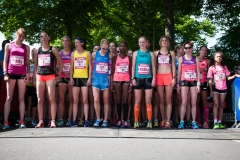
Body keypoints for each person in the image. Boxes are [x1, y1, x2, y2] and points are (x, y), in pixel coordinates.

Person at [34, 31, 63, 128]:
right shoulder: (37, 50)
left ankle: (53, 120)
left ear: (48, 38)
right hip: (39, 76)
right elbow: (35, 65)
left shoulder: (53, 49)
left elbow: (60, 63)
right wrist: (34, 78)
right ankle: (40, 121)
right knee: (40, 100)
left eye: (45, 36)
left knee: (51, 99)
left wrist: (58, 75)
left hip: (50, 76)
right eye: (41, 36)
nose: (43, 38)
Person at [3, 28, 30, 129]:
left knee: (21, 98)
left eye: (23, 37)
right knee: (9, 97)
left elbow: (27, 62)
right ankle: (6, 121)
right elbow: (5, 60)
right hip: (11, 73)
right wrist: (5, 73)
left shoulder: (26, 47)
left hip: (22, 74)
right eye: (20, 36)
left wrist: (28, 74)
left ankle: (22, 121)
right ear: (16, 35)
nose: (21, 38)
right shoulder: (9, 45)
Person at [207, 51, 237, 129]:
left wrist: (235, 75)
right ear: (214, 58)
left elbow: (228, 78)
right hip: (215, 87)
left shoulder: (224, 67)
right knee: (216, 103)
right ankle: (215, 122)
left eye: (220, 57)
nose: (219, 58)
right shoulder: (212, 68)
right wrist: (210, 91)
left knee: (221, 104)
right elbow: (210, 80)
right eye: (217, 56)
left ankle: (220, 122)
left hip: (223, 88)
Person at [132, 36, 156, 129]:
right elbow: (133, 66)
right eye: (140, 42)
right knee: (137, 100)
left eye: (143, 42)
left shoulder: (151, 54)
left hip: (148, 78)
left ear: (146, 43)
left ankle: (149, 121)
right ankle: (136, 121)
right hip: (138, 78)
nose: (142, 44)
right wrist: (133, 78)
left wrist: (154, 78)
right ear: (138, 43)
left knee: (148, 100)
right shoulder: (135, 53)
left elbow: (153, 67)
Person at [177, 40, 201, 129]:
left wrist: (198, 84)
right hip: (184, 81)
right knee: (184, 102)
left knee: (194, 102)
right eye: (186, 48)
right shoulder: (181, 59)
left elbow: (198, 72)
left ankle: (193, 122)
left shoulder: (196, 58)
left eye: (189, 48)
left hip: (194, 81)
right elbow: (179, 72)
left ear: (192, 48)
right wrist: (178, 84)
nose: (187, 49)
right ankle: (182, 121)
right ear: (184, 49)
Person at [69, 37, 92, 127]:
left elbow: (90, 66)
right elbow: (71, 67)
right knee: (75, 100)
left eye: (77, 42)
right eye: (75, 43)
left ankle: (86, 120)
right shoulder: (73, 54)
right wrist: (71, 78)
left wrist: (89, 78)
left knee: (85, 100)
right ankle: (74, 120)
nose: (76, 44)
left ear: (82, 43)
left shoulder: (87, 53)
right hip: (76, 78)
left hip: (85, 78)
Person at [155, 36, 176, 129]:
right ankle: (163, 119)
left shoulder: (171, 53)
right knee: (161, 99)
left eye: (166, 40)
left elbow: (173, 66)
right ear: (160, 42)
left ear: (168, 43)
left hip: (168, 76)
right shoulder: (156, 53)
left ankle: (168, 121)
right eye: (162, 40)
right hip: (159, 76)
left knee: (168, 99)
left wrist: (174, 78)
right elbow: (154, 66)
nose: (164, 42)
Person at [92, 39, 112, 127]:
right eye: (103, 48)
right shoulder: (94, 54)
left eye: (107, 49)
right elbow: (90, 66)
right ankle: (98, 119)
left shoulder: (110, 55)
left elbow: (112, 68)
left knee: (106, 101)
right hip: (96, 79)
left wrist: (110, 77)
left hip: (105, 80)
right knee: (96, 99)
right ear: (100, 46)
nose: (105, 50)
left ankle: (105, 120)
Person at [111, 40, 132, 128]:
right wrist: (111, 83)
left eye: (124, 46)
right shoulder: (115, 58)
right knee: (118, 101)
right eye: (121, 46)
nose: (122, 48)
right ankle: (119, 120)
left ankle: (126, 120)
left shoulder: (129, 58)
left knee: (125, 101)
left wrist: (131, 83)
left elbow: (131, 71)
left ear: (126, 48)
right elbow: (112, 71)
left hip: (126, 80)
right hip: (116, 80)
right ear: (118, 48)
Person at [57, 36, 73, 127]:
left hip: (71, 78)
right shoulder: (59, 53)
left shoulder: (73, 53)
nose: (65, 42)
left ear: (70, 42)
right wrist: (61, 72)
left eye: (67, 40)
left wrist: (70, 74)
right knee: (61, 99)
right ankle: (61, 119)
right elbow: (57, 66)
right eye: (63, 41)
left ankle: (69, 119)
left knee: (71, 100)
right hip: (62, 77)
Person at [196, 46, 210, 128]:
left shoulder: (207, 60)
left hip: (204, 82)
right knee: (196, 101)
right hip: (196, 82)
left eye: (205, 50)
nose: (203, 52)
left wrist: (204, 70)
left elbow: (209, 71)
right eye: (202, 50)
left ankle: (206, 121)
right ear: (199, 51)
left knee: (204, 101)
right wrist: (201, 70)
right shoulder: (195, 59)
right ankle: (197, 120)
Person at [25, 48, 38, 127]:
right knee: (28, 102)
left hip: (35, 85)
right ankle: (28, 118)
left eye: (35, 52)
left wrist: (35, 80)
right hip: (27, 85)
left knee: (34, 102)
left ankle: (33, 119)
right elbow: (25, 72)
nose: (34, 54)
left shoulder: (39, 62)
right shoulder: (28, 62)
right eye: (32, 52)